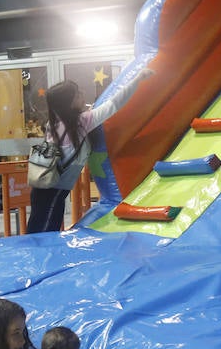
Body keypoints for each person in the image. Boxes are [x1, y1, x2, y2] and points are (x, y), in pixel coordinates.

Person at [26, 68, 153, 233]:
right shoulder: (81, 122)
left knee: (40, 229)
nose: (82, 94)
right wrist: (138, 78)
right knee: (44, 234)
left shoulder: (55, 122)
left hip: (44, 189)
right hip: (53, 191)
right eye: (78, 94)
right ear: (70, 102)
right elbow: (114, 104)